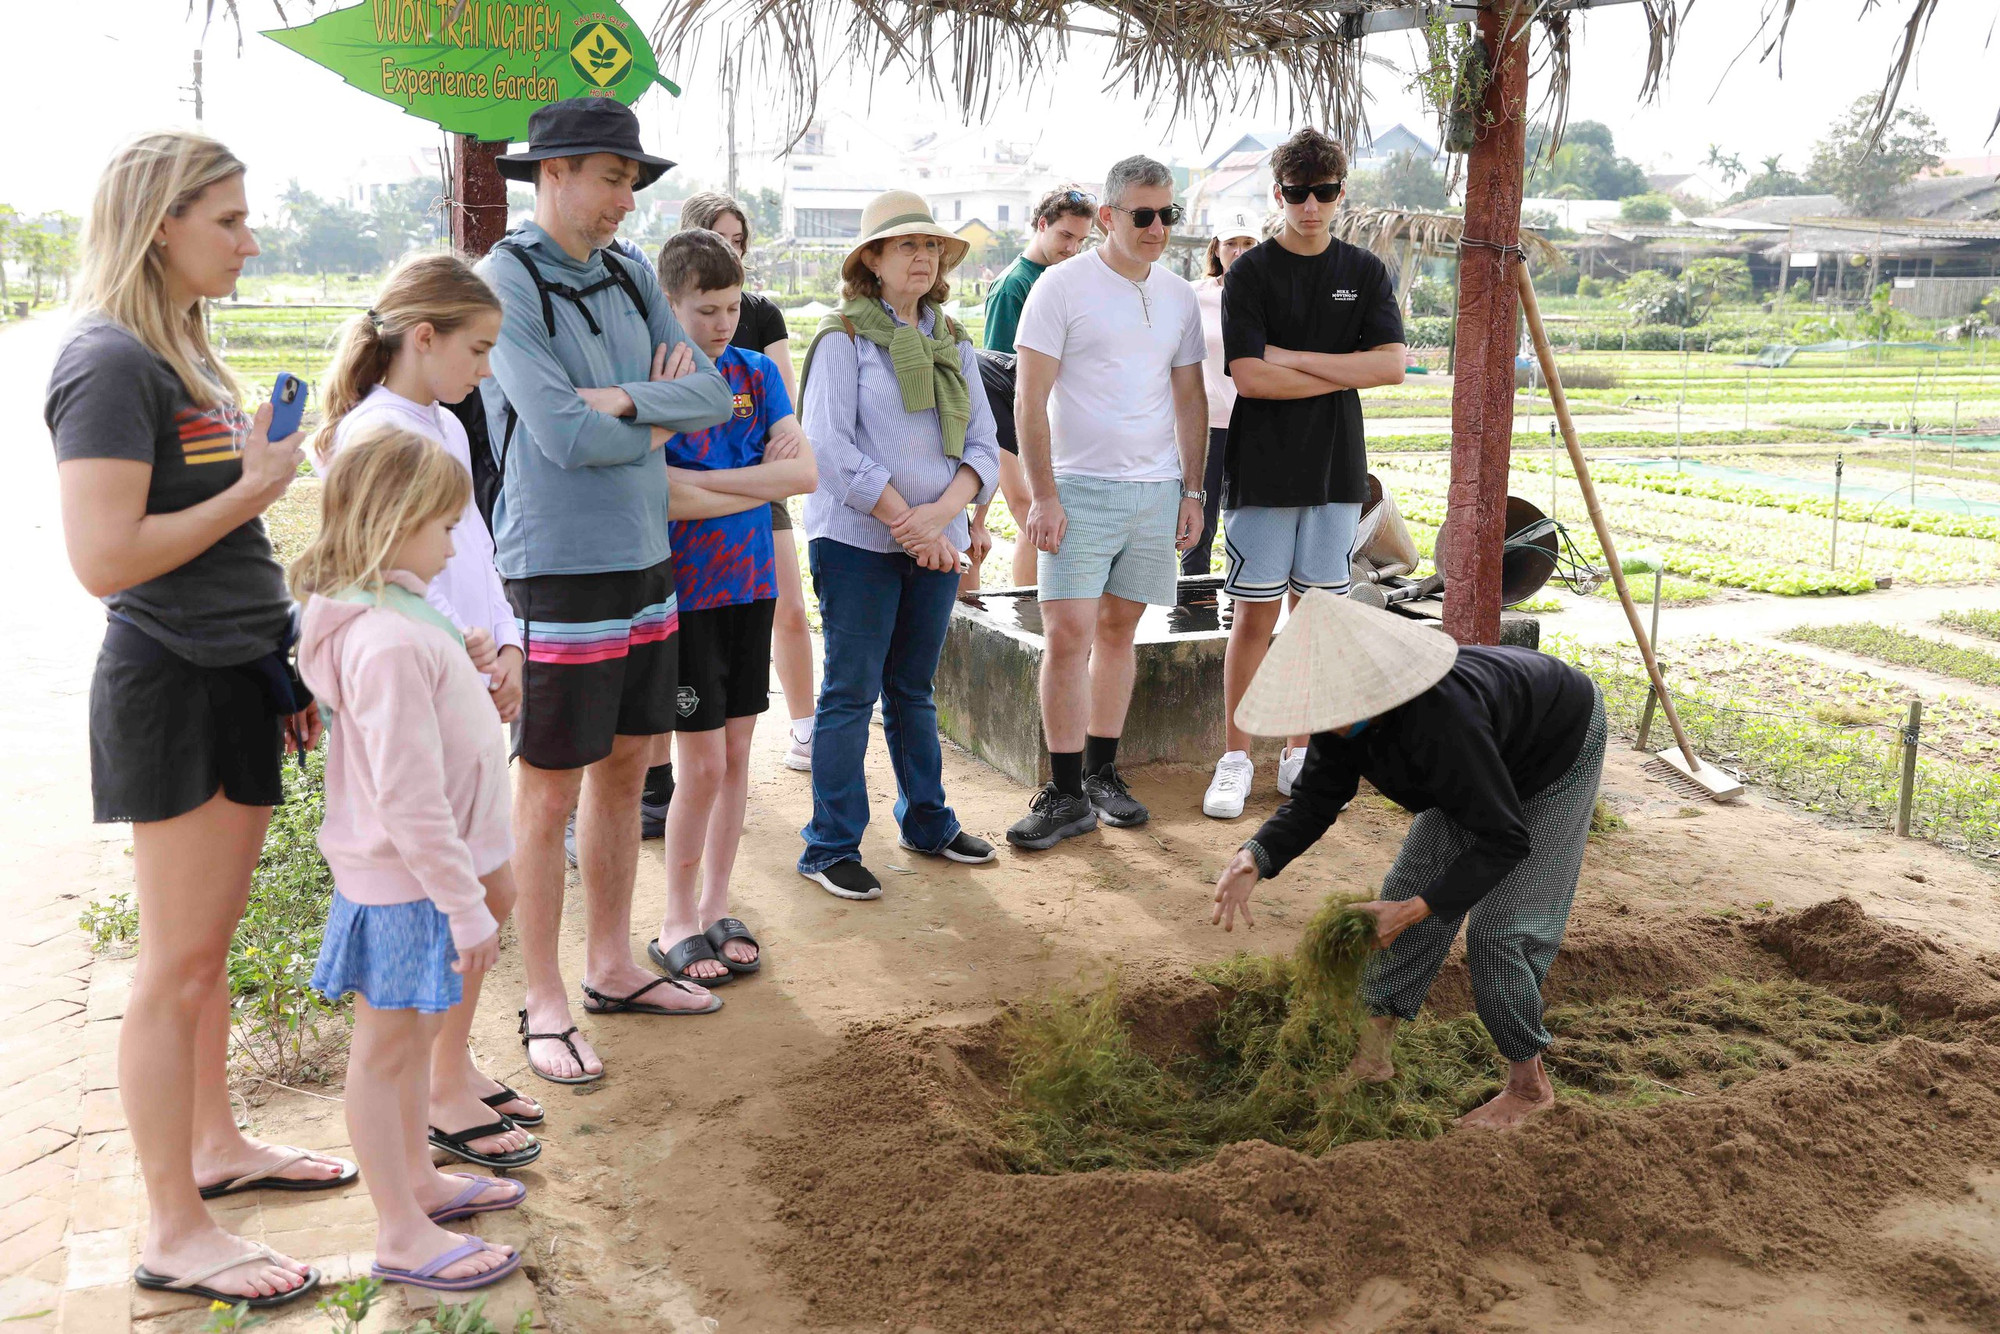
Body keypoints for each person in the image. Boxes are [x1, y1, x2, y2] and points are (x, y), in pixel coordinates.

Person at [49, 130, 344, 1311]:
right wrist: (257, 485)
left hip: (232, 671)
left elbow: (220, 534)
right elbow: (102, 557)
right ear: (160, 220)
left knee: (203, 956)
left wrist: (284, 651)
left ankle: (216, 1148)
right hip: (170, 679)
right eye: (227, 218)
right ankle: (172, 1224)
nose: (250, 238)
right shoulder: (108, 360)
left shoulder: (179, 344)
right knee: (172, 966)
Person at [478, 98, 740, 1084]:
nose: (622, 200)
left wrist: (625, 397)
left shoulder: (633, 272)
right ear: (547, 174)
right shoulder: (504, 279)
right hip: (555, 561)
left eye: (631, 180)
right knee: (547, 784)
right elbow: (559, 436)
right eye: (606, 177)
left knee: (631, 764)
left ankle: (612, 961)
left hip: (642, 551)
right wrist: (645, 408)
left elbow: (709, 394)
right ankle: (542, 993)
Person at [1209, 591, 1608, 1131]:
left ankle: (1529, 1086)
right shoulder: (1342, 719)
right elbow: (1315, 801)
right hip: (1486, 755)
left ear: (1371, 687)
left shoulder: (1444, 724)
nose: (1325, 724)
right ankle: (1373, 1057)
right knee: (1397, 900)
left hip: (1558, 746)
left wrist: (1420, 908)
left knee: (1498, 933)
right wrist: (1255, 856)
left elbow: (1504, 840)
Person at [309, 253, 543, 1170]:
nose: (487, 368)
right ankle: (439, 1089)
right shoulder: (378, 431)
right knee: (465, 894)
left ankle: (453, 1062)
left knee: (494, 881)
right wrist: (471, 651)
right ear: (423, 337)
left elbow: (470, 543)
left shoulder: (441, 418)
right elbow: (392, 569)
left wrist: (509, 637)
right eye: (478, 349)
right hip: (439, 683)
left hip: (474, 670)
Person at [294, 428, 525, 1294]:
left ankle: (420, 1183)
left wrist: (458, 661)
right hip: (406, 886)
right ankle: (399, 1228)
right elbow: (408, 792)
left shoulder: (401, 613)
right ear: (392, 526)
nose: (456, 543)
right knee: (388, 1054)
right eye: (441, 527)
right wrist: (466, 907)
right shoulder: (386, 636)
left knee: (411, 1040)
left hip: (415, 881)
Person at [795, 189, 1004, 900]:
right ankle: (831, 845)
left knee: (912, 689)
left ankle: (927, 822)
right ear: (872, 262)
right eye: (906, 245)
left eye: (931, 246)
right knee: (850, 691)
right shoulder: (842, 338)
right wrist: (907, 523)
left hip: (934, 540)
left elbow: (982, 444)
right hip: (858, 540)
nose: (923, 255)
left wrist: (941, 516)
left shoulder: (954, 340)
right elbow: (827, 445)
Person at [1006, 155, 1208, 851]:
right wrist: (1044, 496)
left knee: (1121, 632)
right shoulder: (1060, 288)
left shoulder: (1180, 296)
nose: (1158, 228)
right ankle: (1062, 793)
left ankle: (1100, 774)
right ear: (1108, 217)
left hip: (1156, 491)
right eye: (1144, 215)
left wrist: (1191, 490)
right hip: (1079, 487)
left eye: (1168, 215)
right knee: (1067, 634)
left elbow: (1190, 397)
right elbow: (1029, 400)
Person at [1204, 128, 1406, 820]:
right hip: (1262, 470)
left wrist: (1294, 358)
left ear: (1341, 192)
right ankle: (1235, 756)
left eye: (1324, 193)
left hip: (1334, 470)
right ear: (1278, 194)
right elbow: (1251, 380)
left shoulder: (1365, 270)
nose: (1311, 206)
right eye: (1297, 193)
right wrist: (1333, 368)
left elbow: (1391, 367)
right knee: (1253, 618)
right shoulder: (1252, 273)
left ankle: (1299, 752)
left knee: (1315, 619)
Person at [649, 229, 816, 984]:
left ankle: (717, 904)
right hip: (686, 600)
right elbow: (662, 496)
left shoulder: (755, 370)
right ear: (670, 304)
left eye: (730, 307)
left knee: (740, 753)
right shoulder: (658, 379)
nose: (721, 323)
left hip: (753, 586)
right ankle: (675, 916)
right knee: (703, 765)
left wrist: (714, 490)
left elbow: (804, 473)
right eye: (704, 310)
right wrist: (755, 479)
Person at [977, 186, 1096, 591]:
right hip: (1017, 420)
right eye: (1066, 236)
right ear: (1042, 225)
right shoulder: (1014, 286)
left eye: (1081, 240)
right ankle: (1028, 607)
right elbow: (997, 372)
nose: (1073, 248)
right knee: (1033, 516)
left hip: (1060, 420)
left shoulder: (1066, 279)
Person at [1183, 209, 1262, 579]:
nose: (1240, 251)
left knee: (1246, 524)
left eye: (1248, 244)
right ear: (1216, 249)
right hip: (1206, 426)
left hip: (1256, 424)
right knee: (1199, 520)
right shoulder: (1193, 296)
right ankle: (1190, 605)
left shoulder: (1272, 298)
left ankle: (1240, 604)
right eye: (1231, 243)